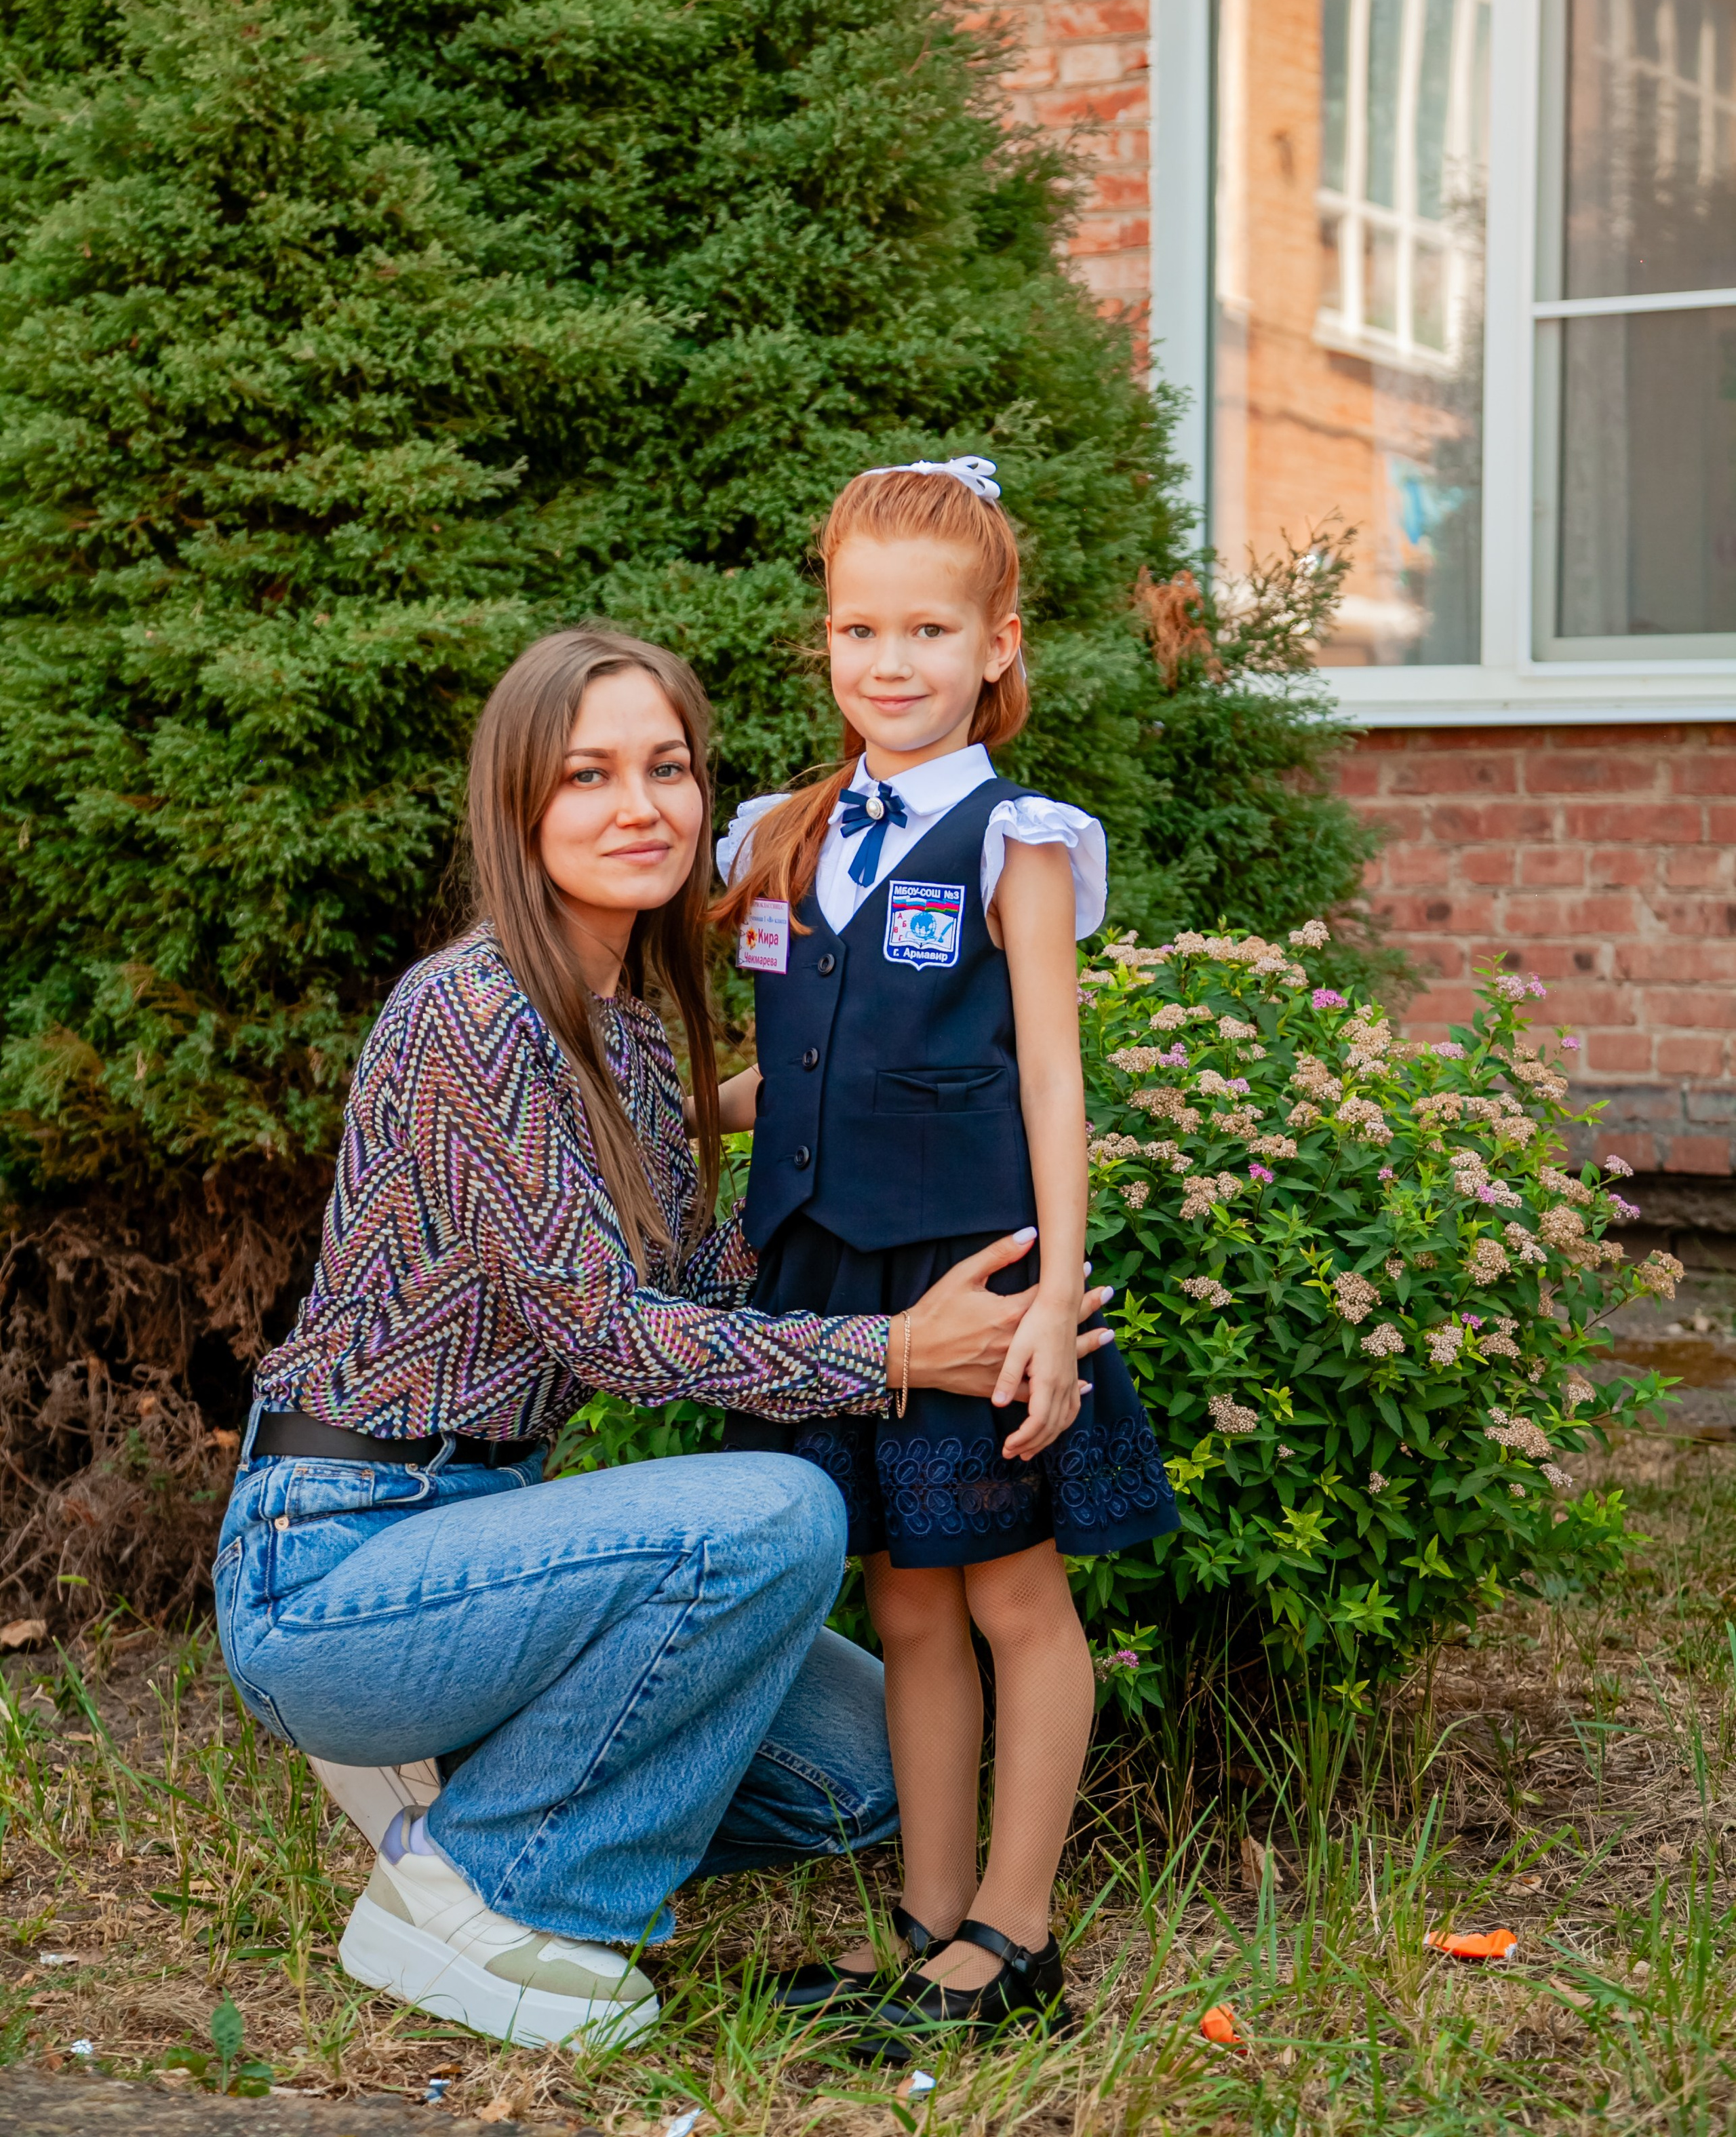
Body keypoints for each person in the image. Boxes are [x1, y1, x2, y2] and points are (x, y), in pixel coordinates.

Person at [213, 626, 1116, 2056]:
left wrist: (887, 1173)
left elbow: (711, 1279)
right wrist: (891, 1351)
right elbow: (616, 1332)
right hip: (340, 1554)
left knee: (864, 1770)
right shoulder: (473, 1011)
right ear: (518, 808)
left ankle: (475, 1783)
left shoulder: (637, 1037)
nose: (640, 806)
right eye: (587, 775)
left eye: (668, 768)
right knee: (775, 1512)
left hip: (495, 1527)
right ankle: (475, 1883)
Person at [714, 458, 1179, 2050]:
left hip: (973, 1274)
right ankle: (923, 1926)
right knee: (905, 1606)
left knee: (1008, 1597)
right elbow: (802, 1061)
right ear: (825, 639)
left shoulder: (1016, 838)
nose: (888, 661)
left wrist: (1055, 1297)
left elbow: (1051, 1073)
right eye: (857, 627)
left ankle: (1015, 1934)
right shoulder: (774, 837)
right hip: (826, 1279)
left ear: (994, 643)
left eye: (926, 627)